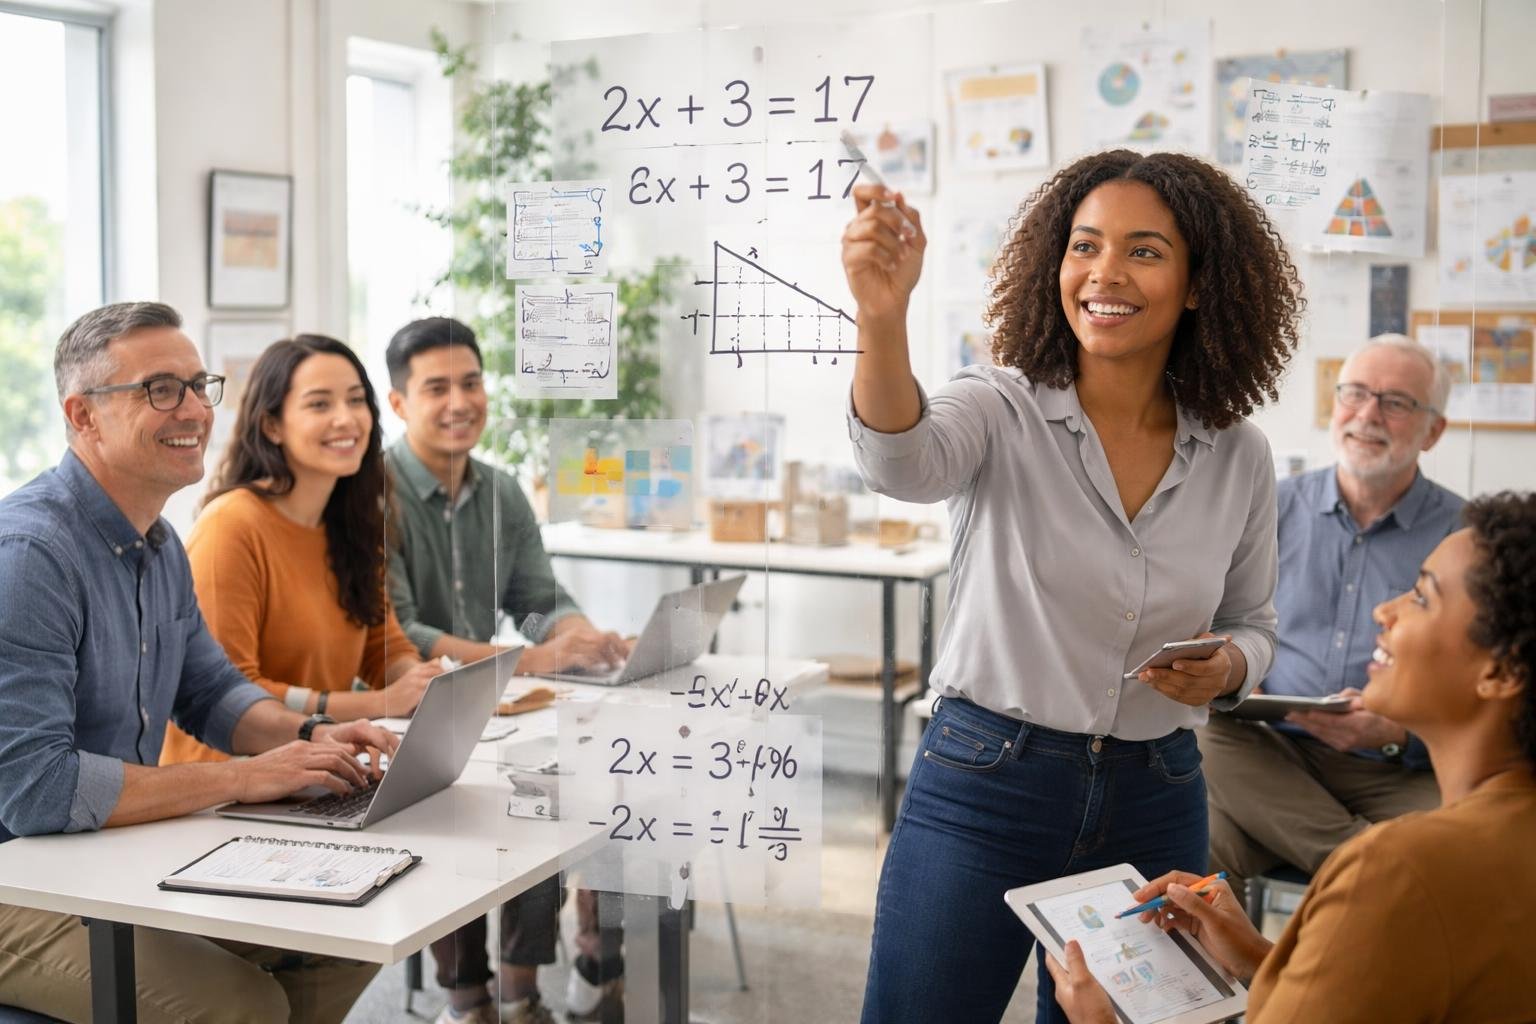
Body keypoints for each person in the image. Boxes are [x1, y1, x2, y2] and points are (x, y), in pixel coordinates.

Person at [840, 149, 1302, 1023]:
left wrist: (1230, 666)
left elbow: (1257, 623)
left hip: (1157, 792)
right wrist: (881, 316)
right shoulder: (999, 406)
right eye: (1084, 246)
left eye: (1145, 251)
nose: (1105, 273)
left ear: (1200, 285)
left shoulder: (1239, 451)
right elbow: (899, 463)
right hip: (985, 784)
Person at [0, 302, 398, 1023]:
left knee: (345, 934)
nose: (194, 409)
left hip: (103, 861)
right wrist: (247, 776)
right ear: (83, 416)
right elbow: (37, 790)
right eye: (160, 389)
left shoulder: (157, 544)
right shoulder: (31, 557)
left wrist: (308, 741)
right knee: (241, 1005)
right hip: (18, 884)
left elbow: (212, 693)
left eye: (198, 385)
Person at [1047, 491, 1536, 1023]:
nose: (1385, 610)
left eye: (1421, 597)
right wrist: (1263, 958)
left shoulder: (1397, 868)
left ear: (1500, 673)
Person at [383, 317, 628, 1024]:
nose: (460, 402)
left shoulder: (501, 491)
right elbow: (401, 632)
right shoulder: (372, 494)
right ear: (399, 404)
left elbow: (538, 599)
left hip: (496, 702)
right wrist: (530, 657)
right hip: (396, 710)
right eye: (437, 388)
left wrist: (579, 634)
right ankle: (471, 1000)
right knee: (474, 801)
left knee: (574, 782)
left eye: (470, 382)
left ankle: (528, 990)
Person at [1200, 334, 1462, 905]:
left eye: (1396, 403)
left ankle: (1356, 865)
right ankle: (1365, 863)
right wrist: (1239, 668)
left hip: (1393, 769)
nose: (1368, 415)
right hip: (1264, 752)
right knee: (1200, 754)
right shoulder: (1268, 503)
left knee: (1478, 852)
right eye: (1356, 394)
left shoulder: (1464, 539)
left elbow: (1481, 692)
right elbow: (1214, 620)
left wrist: (1398, 734)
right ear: (1335, 404)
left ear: (1433, 431)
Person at [159, 334, 441, 766]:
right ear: (272, 425)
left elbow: (382, 646)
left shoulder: (352, 522)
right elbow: (228, 689)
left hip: (315, 769)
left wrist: (418, 682)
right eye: (319, 404)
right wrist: (379, 703)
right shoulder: (231, 525)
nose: (346, 419)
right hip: (224, 783)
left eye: (355, 400)